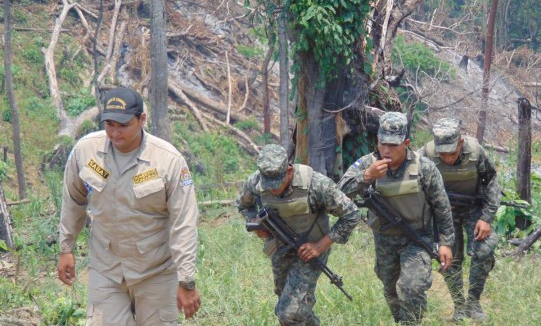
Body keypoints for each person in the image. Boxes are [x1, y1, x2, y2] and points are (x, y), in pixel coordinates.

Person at [57, 86, 201, 325]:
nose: (114, 132)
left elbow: (184, 223)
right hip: (107, 270)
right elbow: (73, 200)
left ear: (142, 119)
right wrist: (66, 248)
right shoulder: (86, 151)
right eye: (109, 124)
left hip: (155, 272)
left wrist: (186, 281)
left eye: (123, 125)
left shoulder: (168, 161)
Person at [338, 112, 454, 324]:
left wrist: (446, 243)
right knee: (391, 290)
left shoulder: (424, 167)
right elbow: (340, 192)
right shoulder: (368, 163)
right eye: (383, 144)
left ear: (406, 143)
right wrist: (366, 177)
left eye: (393, 145)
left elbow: (442, 207)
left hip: (418, 237)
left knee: (411, 287)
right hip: (385, 239)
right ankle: (403, 320)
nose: (386, 150)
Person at [235, 143, 361, 326]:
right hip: (280, 248)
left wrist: (321, 245)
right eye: (268, 185)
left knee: (289, 313)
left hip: (310, 251)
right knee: (286, 306)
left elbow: (352, 214)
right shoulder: (255, 183)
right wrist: (256, 223)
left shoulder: (316, 185)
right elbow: (243, 205)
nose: (273, 190)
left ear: (288, 170)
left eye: (277, 183)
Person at [419, 118, 500, 321]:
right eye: (442, 154)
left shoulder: (475, 151)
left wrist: (487, 217)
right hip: (443, 213)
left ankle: (473, 302)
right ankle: (459, 306)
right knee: (449, 258)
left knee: (485, 250)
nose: (446, 158)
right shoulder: (425, 154)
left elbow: (491, 180)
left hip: (473, 208)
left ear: (461, 143)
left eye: (452, 153)